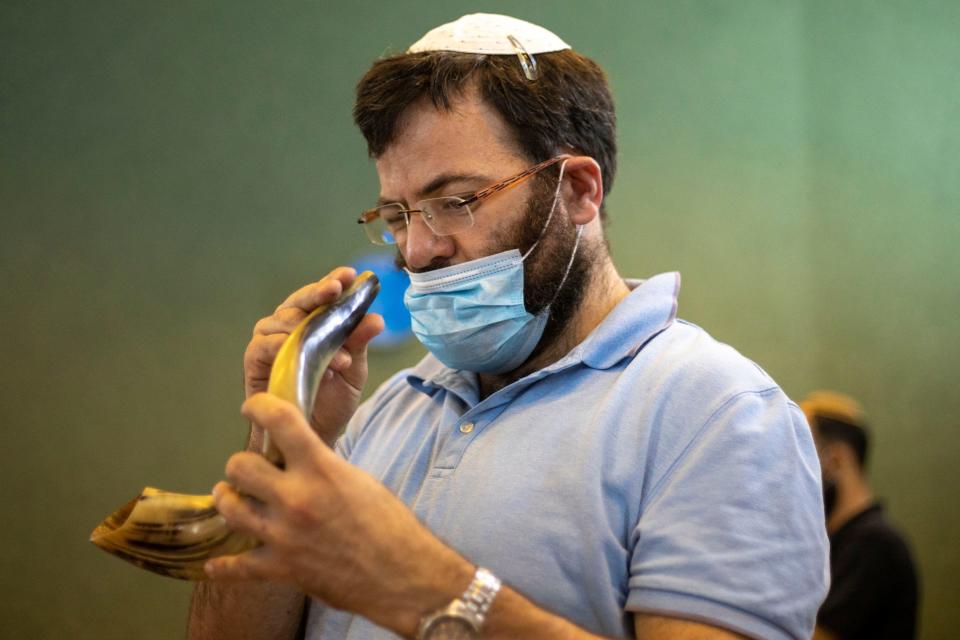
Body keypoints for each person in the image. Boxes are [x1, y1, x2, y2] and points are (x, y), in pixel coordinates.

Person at [188, 13, 828, 640]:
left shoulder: (719, 414)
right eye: (398, 213)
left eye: (456, 201)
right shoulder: (388, 410)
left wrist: (422, 588)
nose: (416, 251)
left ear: (577, 190)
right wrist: (288, 431)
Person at [801, 391, 919, 640]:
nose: (797, 475)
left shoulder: (874, 544)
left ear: (835, 460)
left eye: (804, 459)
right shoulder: (837, 544)